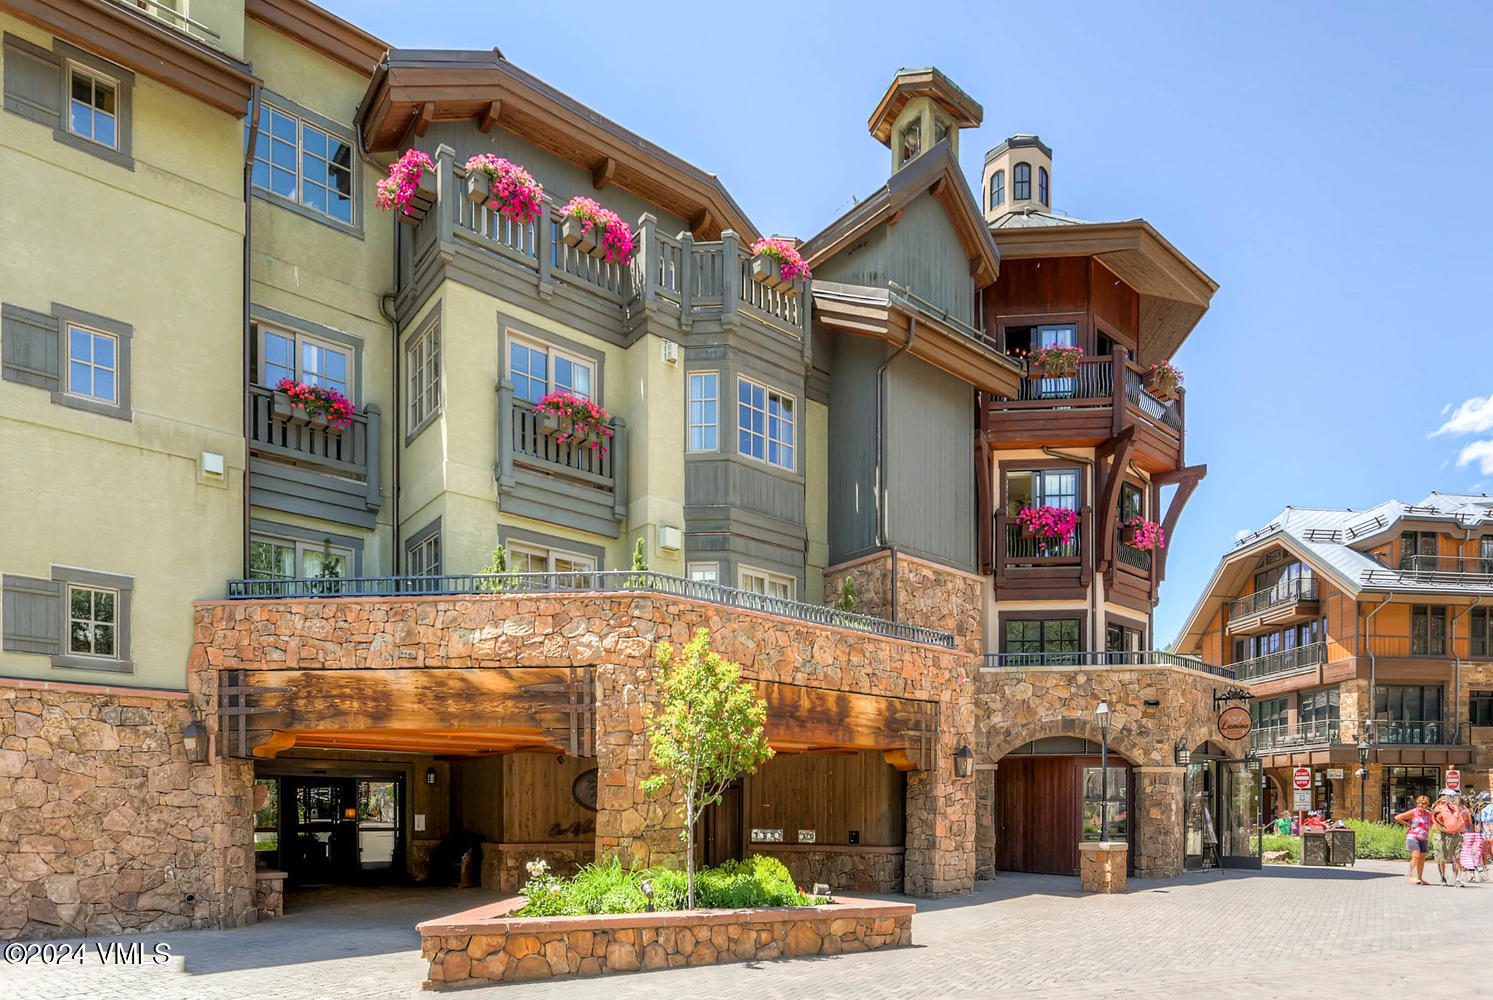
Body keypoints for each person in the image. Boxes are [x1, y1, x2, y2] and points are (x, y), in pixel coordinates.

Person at [1430, 788, 1470, 887]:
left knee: (1458, 857)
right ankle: (1443, 877)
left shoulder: (1457, 808)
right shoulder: (1439, 808)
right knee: (1442, 857)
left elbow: (1463, 819)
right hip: (1443, 836)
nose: (1452, 799)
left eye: (1453, 797)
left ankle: (1457, 878)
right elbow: (1436, 819)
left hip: (1457, 835)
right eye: (1450, 796)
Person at [1394, 794, 1433, 885]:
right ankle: (1412, 876)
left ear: (1427, 805)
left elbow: (1433, 822)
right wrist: (1408, 825)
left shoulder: (1428, 814)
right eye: (1419, 803)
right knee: (1416, 856)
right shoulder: (1414, 812)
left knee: (1422, 858)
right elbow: (1398, 817)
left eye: (1423, 803)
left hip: (1424, 837)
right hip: (1413, 837)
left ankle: (1419, 877)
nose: (1420, 805)